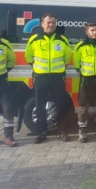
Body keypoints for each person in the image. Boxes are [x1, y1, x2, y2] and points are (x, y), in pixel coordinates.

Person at [25, 13, 72, 144]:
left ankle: (63, 131)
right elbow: (29, 57)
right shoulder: (34, 39)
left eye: (53, 23)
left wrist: (59, 69)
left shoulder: (62, 39)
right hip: (40, 78)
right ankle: (41, 132)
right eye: (48, 22)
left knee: (61, 104)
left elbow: (67, 58)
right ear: (42, 24)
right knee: (40, 106)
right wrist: (38, 69)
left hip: (57, 78)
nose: (51, 25)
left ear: (56, 24)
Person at [73, 23, 96, 143]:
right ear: (87, 32)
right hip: (86, 80)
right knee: (83, 107)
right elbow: (76, 64)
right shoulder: (80, 46)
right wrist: (84, 73)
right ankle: (82, 131)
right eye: (92, 30)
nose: (95, 33)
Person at [0, 36, 17, 147]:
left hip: (2, 80)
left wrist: (5, 71)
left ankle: (8, 136)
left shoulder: (5, 43)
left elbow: (12, 60)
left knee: (8, 109)